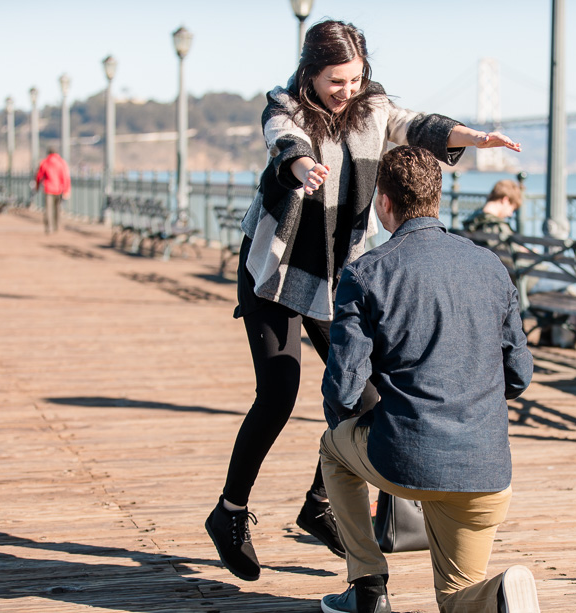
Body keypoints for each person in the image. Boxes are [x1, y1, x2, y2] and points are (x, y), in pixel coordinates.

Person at [204, 19, 522, 584]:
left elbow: (413, 124)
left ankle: (318, 502)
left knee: (370, 396)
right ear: (310, 75)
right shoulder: (285, 106)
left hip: (337, 272)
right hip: (276, 271)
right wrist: (302, 168)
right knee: (277, 393)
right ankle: (229, 513)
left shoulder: (372, 107)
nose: (346, 89)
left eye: (354, 78)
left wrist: (472, 139)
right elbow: (286, 144)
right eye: (335, 81)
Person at [318, 145, 540, 613]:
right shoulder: (492, 268)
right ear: (436, 197)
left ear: (384, 202)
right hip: (486, 470)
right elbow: (519, 375)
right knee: (458, 600)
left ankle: (367, 588)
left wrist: (361, 420)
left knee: (333, 447)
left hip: (407, 459)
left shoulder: (365, 273)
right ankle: (502, 591)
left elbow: (343, 388)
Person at [32, 146, 71, 234]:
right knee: (57, 208)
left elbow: (39, 176)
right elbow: (66, 177)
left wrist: (37, 186)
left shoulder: (45, 162)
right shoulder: (61, 162)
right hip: (59, 189)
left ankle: (49, 227)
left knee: (48, 209)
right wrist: (66, 190)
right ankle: (56, 226)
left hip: (48, 188)